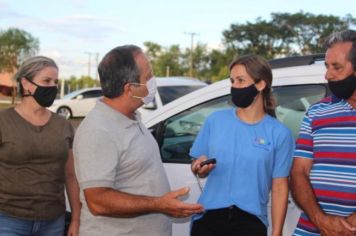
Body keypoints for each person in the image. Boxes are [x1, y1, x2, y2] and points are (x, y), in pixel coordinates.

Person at [73, 45, 204, 236]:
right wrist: (158, 204)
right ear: (130, 88)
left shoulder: (131, 117)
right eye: (148, 77)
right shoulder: (98, 130)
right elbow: (97, 201)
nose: (153, 81)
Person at [189, 54, 294, 236]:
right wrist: (199, 167)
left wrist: (277, 233)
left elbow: (279, 187)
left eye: (240, 80)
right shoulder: (215, 121)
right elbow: (197, 163)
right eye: (232, 81)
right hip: (208, 219)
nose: (234, 87)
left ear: (260, 84)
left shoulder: (279, 133)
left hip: (251, 223)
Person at [0, 56, 81, 235]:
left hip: (53, 221)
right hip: (8, 220)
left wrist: (75, 219)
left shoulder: (63, 125)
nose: (53, 87)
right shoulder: (4, 121)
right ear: (26, 83)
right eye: (46, 80)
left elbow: (70, 176)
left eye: (55, 82)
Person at [290, 30, 356, 236]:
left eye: (336, 67)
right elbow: (298, 172)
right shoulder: (317, 111)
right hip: (310, 229)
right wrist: (321, 221)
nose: (328, 75)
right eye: (327, 66)